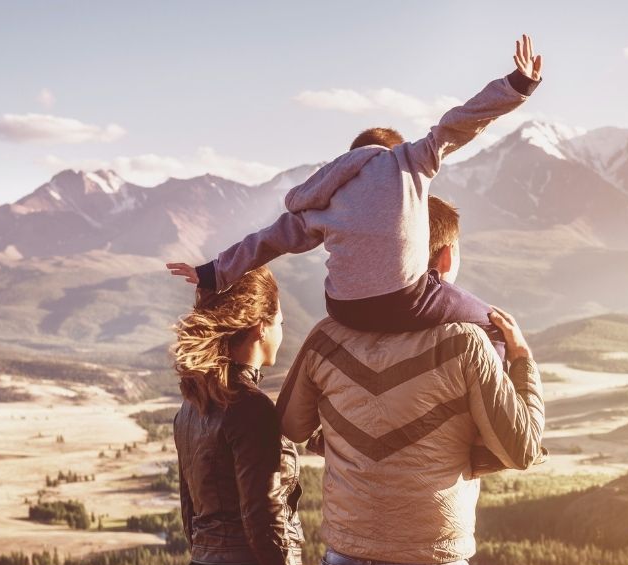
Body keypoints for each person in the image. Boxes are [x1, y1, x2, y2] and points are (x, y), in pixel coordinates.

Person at [166, 34, 544, 360]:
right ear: (391, 149)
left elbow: (268, 240)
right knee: (495, 327)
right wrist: (517, 86)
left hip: (344, 309)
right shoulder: (408, 161)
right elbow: (459, 123)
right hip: (405, 298)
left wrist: (211, 272)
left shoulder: (325, 198)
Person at [276, 195, 545, 565]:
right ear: (446, 256)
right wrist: (522, 362)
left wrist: (341, 433)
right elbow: (523, 450)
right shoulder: (465, 343)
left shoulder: (326, 337)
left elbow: (289, 424)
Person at [167, 266, 310, 565]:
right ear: (261, 326)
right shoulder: (251, 406)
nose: (282, 331)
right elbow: (263, 518)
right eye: (280, 321)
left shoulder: (192, 407)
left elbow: (191, 514)